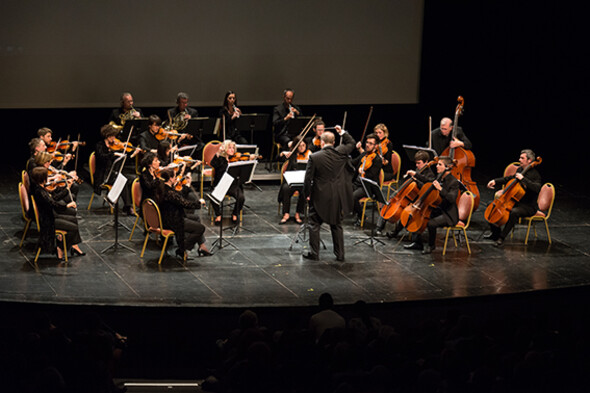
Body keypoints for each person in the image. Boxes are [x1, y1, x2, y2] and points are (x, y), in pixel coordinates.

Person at [303, 127, 355, 261]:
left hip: (320, 195)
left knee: (314, 223)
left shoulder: (315, 157)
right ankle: (340, 255)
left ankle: (314, 253)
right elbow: (351, 143)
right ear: (333, 142)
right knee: (336, 224)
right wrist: (342, 132)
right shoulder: (341, 152)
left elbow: (308, 179)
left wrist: (307, 194)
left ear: (321, 142)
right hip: (337, 194)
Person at [485, 149, 542, 246]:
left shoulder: (535, 175)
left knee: (514, 212)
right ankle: (495, 233)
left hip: (528, 206)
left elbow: (537, 188)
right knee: (491, 205)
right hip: (516, 202)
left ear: (529, 160)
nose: (519, 159)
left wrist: (523, 179)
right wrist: (495, 181)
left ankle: (501, 238)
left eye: (522, 158)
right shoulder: (520, 170)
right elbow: (510, 178)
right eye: (520, 157)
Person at [29, 166, 85, 261]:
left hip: (51, 215)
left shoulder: (41, 188)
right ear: (43, 178)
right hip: (49, 221)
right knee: (74, 227)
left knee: (74, 219)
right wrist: (68, 205)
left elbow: (53, 199)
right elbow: (54, 204)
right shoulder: (40, 192)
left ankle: (69, 246)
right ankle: (61, 248)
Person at [158, 169, 212, 259]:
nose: (176, 178)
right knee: (200, 228)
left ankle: (201, 246)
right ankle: (182, 248)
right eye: (175, 176)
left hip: (168, 217)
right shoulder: (169, 193)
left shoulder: (164, 188)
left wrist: (187, 185)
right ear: (170, 179)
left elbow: (179, 196)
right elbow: (185, 204)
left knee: (196, 218)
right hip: (173, 221)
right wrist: (199, 203)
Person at [383, 150, 435, 238]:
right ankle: (379, 228)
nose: (416, 165)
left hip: (420, 200)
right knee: (388, 204)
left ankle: (395, 233)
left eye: (419, 163)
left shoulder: (430, 175)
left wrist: (416, 179)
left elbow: (425, 188)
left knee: (406, 212)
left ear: (426, 162)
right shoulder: (418, 170)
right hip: (411, 197)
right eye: (416, 163)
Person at [419, 156, 460, 254]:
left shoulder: (454, 182)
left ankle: (431, 246)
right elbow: (427, 181)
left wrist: (440, 189)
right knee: (421, 217)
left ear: (447, 167)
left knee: (431, 223)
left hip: (449, 214)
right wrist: (416, 175)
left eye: (440, 164)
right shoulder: (439, 178)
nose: (437, 166)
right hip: (439, 209)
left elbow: (451, 198)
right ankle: (417, 242)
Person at [210, 140, 255, 224]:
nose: (232, 150)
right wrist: (218, 152)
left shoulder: (236, 160)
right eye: (230, 148)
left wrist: (249, 160)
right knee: (213, 198)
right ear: (225, 148)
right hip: (221, 184)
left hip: (232, 185)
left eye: (233, 148)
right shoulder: (220, 159)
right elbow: (213, 164)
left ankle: (235, 213)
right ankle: (218, 215)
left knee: (241, 197)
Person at [94, 124, 135, 215]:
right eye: (111, 136)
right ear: (106, 135)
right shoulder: (99, 145)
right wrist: (114, 154)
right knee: (122, 181)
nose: (113, 138)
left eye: (114, 136)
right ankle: (128, 207)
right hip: (103, 175)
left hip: (113, 173)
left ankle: (129, 205)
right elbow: (102, 157)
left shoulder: (115, 146)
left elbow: (124, 159)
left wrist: (132, 154)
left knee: (131, 180)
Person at [277, 136, 310, 225]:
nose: (302, 147)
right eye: (299, 146)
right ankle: (286, 214)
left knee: (304, 190)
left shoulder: (309, 155)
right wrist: (282, 153)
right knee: (285, 188)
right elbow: (278, 158)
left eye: (303, 145)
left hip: (302, 181)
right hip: (291, 180)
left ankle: (297, 214)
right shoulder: (292, 155)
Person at [351, 133, 383, 226]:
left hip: (367, 186)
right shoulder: (364, 154)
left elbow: (372, 175)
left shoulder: (377, 159)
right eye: (367, 142)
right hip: (357, 183)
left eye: (370, 143)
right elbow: (353, 162)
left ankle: (361, 216)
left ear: (375, 146)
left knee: (353, 197)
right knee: (342, 189)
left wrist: (363, 172)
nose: (367, 145)